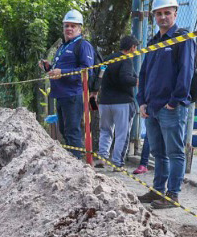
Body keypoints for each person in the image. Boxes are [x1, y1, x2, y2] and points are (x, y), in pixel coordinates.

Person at [135, 0, 195, 210]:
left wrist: (174, 101)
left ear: (175, 13)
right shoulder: (153, 42)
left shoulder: (182, 38)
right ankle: (158, 190)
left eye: (166, 13)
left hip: (170, 107)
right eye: (158, 14)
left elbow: (186, 72)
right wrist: (141, 101)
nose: (162, 17)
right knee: (158, 152)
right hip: (151, 107)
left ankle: (172, 195)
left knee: (175, 152)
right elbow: (144, 74)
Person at [40, 9, 95, 157]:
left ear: (80, 28)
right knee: (64, 130)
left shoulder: (83, 45)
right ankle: (73, 160)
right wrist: (49, 68)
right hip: (61, 95)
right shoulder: (63, 46)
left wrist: (62, 73)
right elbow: (60, 70)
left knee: (72, 131)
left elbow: (87, 71)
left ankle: (78, 164)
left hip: (73, 95)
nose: (69, 29)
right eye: (66, 26)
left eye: (73, 26)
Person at [97, 35, 138, 167]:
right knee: (122, 133)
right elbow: (125, 78)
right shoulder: (126, 60)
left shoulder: (107, 59)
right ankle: (117, 162)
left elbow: (100, 76)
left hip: (104, 102)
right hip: (122, 102)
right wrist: (137, 81)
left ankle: (102, 158)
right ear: (132, 47)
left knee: (105, 130)